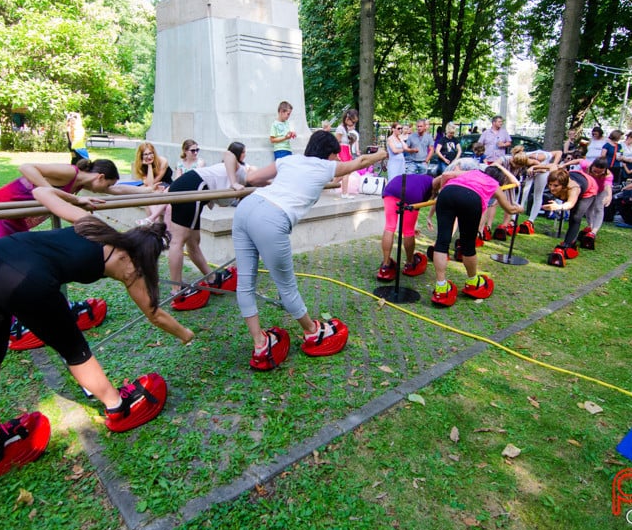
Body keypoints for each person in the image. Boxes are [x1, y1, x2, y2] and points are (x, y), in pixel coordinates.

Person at [0, 189, 194, 480]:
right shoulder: (132, 266)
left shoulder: (94, 225)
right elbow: (155, 315)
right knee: (75, 350)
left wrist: (78, 201)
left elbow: (42, 192)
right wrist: (185, 333)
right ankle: (118, 407)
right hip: (27, 279)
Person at [231, 131, 387, 370]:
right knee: (286, 286)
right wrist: (383, 153)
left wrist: (280, 185)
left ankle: (260, 342)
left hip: (247, 207)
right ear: (330, 154)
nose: (337, 161)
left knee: (245, 283)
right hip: (272, 219)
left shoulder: (288, 160)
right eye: (336, 156)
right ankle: (312, 331)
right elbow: (362, 162)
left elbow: (252, 179)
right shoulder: (325, 167)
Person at [0, 159, 149, 246]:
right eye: (108, 184)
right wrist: (52, 193)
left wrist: (147, 190)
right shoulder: (70, 173)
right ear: (100, 177)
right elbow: (26, 167)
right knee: (0, 265)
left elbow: (117, 190)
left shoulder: (80, 185)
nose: (109, 188)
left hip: (11, 219)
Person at [167, 142, 250, 310]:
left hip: (190, 187)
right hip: (193, 188)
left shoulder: (230, 170)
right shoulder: (238, 170)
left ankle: (211, 279)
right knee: (178, 241)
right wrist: (234, 183)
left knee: (193, 242)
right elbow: (228, 154)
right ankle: (176, 289)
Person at [430, 161, 523, 305]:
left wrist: (442, 190)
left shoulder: (473, 172)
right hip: (471, 198)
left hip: (447, 193)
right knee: (468, 245)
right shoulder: (494, 184)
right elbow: (510, 209)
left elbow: (447, 174)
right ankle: (473, 281)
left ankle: (441, 287)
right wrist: (520, 209)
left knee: (442, 241)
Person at [376, 173, 436, 281]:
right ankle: (410, 263)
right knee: (408, 231)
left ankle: (385, 266)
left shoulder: (418, 178)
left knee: (389, 226)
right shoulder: (432, 183)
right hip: (412, 194)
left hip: (392, 187)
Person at [543, 167, 598, 265]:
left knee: (575, 216)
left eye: (555, 185)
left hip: (588, 190)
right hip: (575, 176)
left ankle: (568, 244)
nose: (551, 188)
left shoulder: (574, 188)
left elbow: (570, 204)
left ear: (563, 186)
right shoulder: (556, 179)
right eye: (550, 185)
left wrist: (559, 206)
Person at [511, 148, 562, 228]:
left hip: (544, 169)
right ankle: (513, 219)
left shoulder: (543, 156)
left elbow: (559, 152)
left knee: (538, 194)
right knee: (523, 192)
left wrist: (554, 164)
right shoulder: (524, 157)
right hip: (530, 169)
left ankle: (531, 221)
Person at [335, 109, 359, 198]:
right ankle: (344, 193)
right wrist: (337, 154)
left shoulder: (345, 129)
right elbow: (336, 141)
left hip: (346, 150)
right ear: (347, 119)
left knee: (345, 172)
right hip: (342, 151)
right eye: (352, 122)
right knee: (346, 172)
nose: (353, 124)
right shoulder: (340, 128)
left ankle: (329, 185)